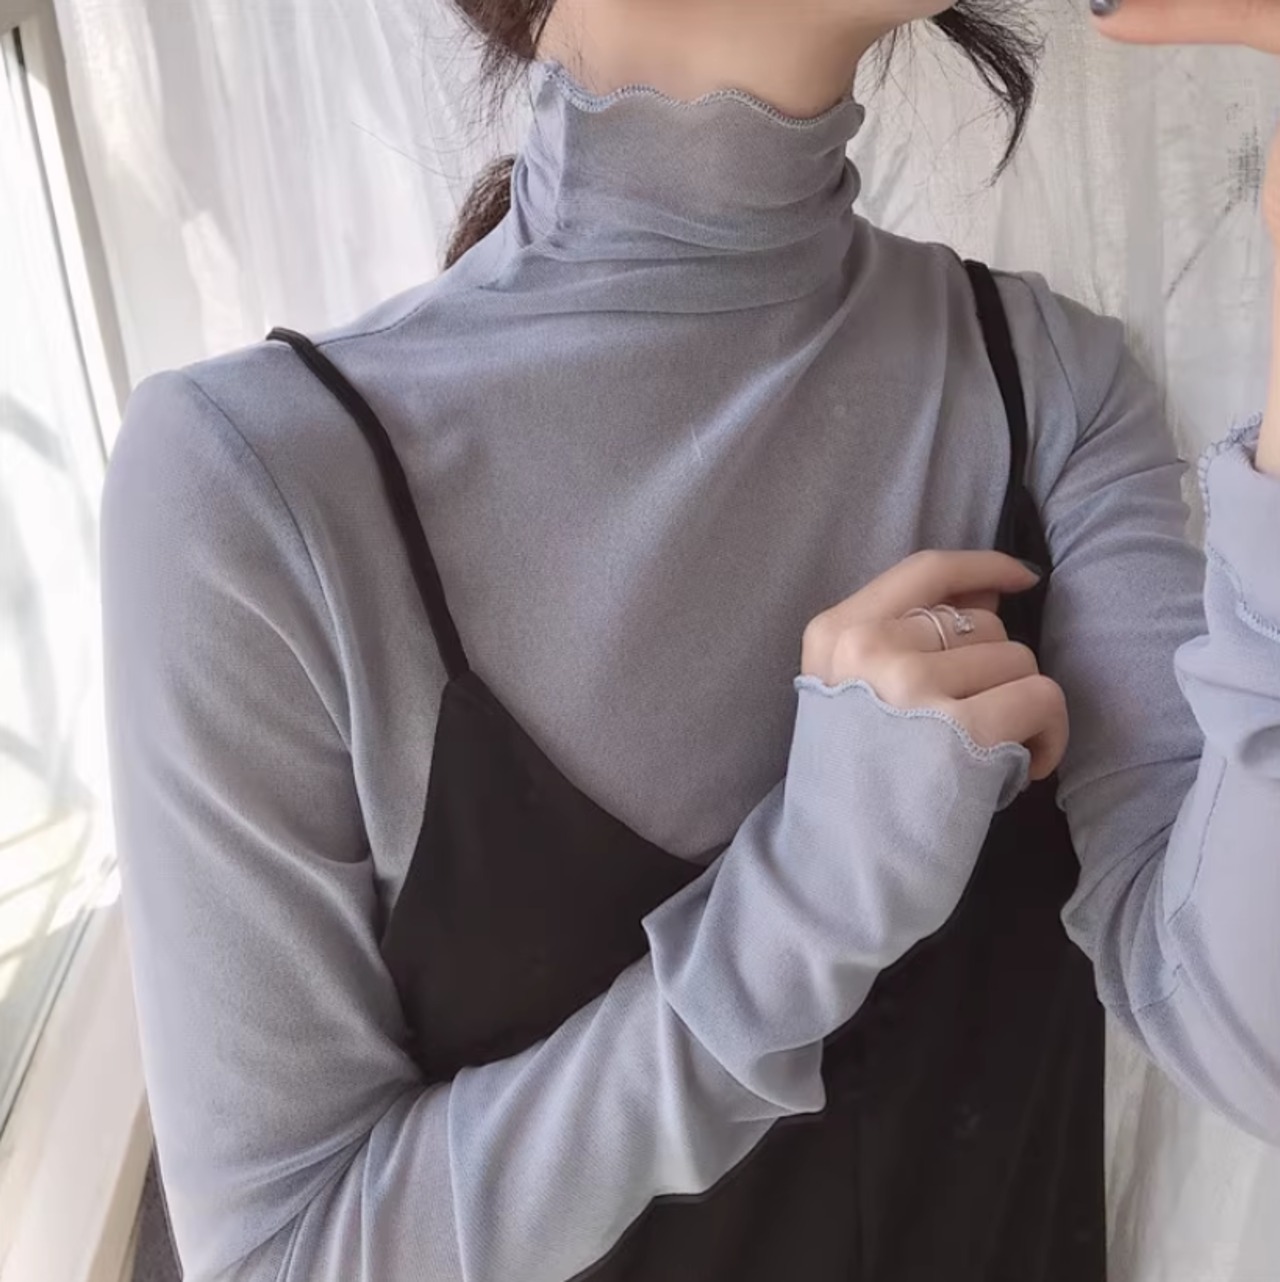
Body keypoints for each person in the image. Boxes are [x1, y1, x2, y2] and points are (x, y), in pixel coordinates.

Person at [101, 0, 1280, 1279]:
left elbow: (1250, 1037)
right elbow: (278, 1253)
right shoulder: (257, 488)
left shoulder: (1049, 383)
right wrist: (801, 908)